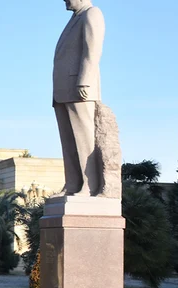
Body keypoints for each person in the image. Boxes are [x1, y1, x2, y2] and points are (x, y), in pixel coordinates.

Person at [53, 0, 105, 196]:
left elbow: (92, 49)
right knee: (68, 141)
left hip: (80, 88)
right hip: (63, 90)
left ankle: (89, 186)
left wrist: (85, 79)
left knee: (84, 138)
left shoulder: (92, 13)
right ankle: (73, 184)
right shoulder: (75, 18)